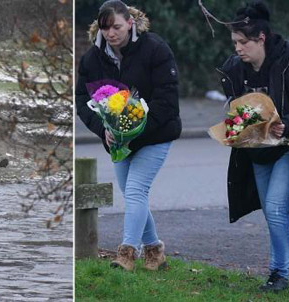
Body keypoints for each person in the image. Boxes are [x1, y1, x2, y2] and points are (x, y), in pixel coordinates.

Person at [76, 0, 181, 272]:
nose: (111, 33)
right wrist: (104, 130)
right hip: (117, 140)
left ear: (130, 23)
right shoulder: (92, 58)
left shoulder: (155, 48)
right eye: (106, 28)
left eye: (117, 27)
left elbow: (167, 99)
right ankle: (155, 252)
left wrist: (136, 130)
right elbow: (81, 99)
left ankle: (126, 254)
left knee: (135, 190)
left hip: (155, 134)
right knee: (133, 195)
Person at [218, 1, 289, 292]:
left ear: (261, 39)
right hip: (256, 152)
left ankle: (278, 274)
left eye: (243, 42)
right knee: (274, 211)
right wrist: (232, 127)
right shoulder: (234, 70)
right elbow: (235, 110)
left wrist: (287, 123)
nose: (238, 48)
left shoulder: (287, 66)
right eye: (235, 42)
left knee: (274, 208)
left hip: (288, 147)